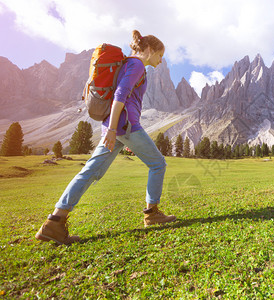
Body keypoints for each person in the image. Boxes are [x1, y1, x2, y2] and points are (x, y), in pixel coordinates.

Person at [35, 30, 176, 245]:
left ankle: (54, 222)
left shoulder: (128, 64)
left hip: (117, 129)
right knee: (158, 164)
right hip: (123, 126)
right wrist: (114, 130)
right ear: (149, 50)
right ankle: (152, 213)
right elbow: (121, 93)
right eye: (160, 54)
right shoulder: (137, 64)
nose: (161, 59)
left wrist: (115, 133)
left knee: (89, 171)